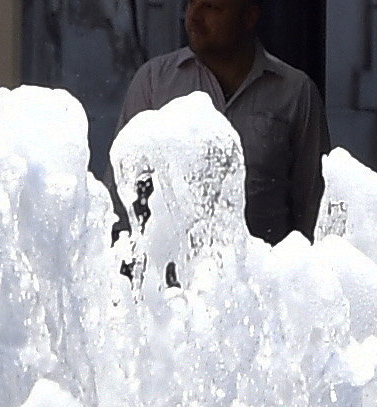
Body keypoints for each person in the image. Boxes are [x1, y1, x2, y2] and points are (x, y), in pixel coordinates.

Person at [118, 0, 330, 243]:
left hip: (264, 272)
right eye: (190, 3)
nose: (193, 17)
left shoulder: (294, 92)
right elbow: (124, 193)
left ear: (249, 16)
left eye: (211, 7)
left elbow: (313, 204)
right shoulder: (155, 83)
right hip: (173, 275)